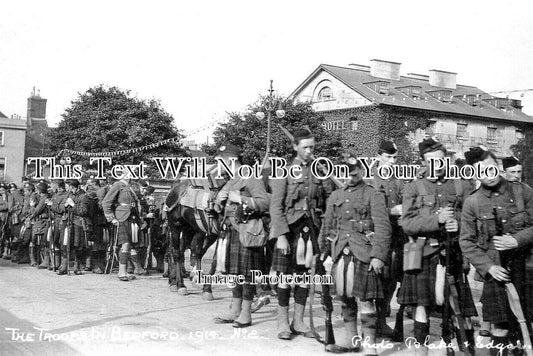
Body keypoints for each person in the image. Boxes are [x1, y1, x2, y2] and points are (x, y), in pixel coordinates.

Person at [399, 137, 477, 355]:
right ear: (424, 162)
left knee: (459, 308)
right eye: (432, 161)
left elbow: (473, 217)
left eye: (441, 160)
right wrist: (437, 220)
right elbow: (407, 223)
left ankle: (463, 349)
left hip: (453, 252)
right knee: (421, 307)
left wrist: (458, 222)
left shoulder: (461, 184)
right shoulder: (413, 187)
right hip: (425, 254)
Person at [460, 146, 533, 355]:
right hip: (496, 273)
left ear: (498, 166)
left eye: (490, 168)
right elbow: (466, 242)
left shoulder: (522, 191)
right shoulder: (472, 202)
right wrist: (488, 267)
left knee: (527, 325)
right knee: (500, 328)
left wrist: (517, 240)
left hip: (527, 268)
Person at [321, 155, 391, 354]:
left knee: (367, 300)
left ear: (361, 171)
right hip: (340, 252)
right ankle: (351, 340)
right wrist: (324, 254)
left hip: (364, 252)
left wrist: (378, 255)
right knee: (344, 297)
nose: (351, 177)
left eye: (355, 173)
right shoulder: (335, 196)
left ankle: (370, 344)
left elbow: (383, 228)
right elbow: (328, 228)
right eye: (347, 174)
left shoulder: (373, 194)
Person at [269, 128, 332, 340]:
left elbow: (327, 198)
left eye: (312, 147)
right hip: (289, 230)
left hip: (310, 229)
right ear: (295, 147)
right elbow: (276, 207)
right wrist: (281, 236)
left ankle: (299, 320)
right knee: (286, 277)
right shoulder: (284, 172)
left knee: (304, 276)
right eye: (305, 147)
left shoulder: (318, 171)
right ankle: (283, 322)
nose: (309, 151)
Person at [213, 143, 270, 328]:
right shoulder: (231, 180)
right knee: (234, 273)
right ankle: (235, 310)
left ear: (231, 160)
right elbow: (222, 207)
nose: (218, 166)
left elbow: (264, 203)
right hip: (231, 231)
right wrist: (218, 203)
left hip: (247, 232)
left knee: (247, 275)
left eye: (220, 162)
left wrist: (242, 199)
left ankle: (246, 313)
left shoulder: (251, 179)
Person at [366, 140, 405, 339]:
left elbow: (406, 199)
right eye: (388, 157)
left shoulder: (397, 180)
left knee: (390, 281)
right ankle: (370, 324)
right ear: (379, 156)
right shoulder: (370, 179)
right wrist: (392, 211)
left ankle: (381, 321)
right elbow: (365, 210)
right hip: (374, 236)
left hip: (395, 237)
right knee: (374, 281)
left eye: (394, 157)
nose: (392, 161)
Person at [101, 174, 145, 281]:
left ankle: (134, 269)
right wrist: (111, 218)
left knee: (131, 245)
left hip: (132, 218)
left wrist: (141, 219)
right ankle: (121, 272)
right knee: (124, 244)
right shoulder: (117, 185)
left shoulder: (131, 187)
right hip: (122, 217)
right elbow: (106, 202)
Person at [65, 179, 90, 275]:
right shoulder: (70, 195)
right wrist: (66, 205)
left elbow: (83, 211)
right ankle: (66, 266)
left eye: (69, 187)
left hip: (79, 223)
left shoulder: (83, 196)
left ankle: (77, 266)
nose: (68, 189)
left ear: (73, 187)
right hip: (70, 222)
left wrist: (72, 205)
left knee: (78, 246)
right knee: (68, 244)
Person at [7, 183, 24, 262]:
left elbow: (10, 208)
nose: (12, 190)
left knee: (16, 236)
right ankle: (15, 255)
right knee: (16, 236)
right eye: (11, 189)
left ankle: (15, 255)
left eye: (13, 189)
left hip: (17, 217)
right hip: (17, 217)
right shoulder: (18, 194)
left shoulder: (13, 195)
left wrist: (16, 208)